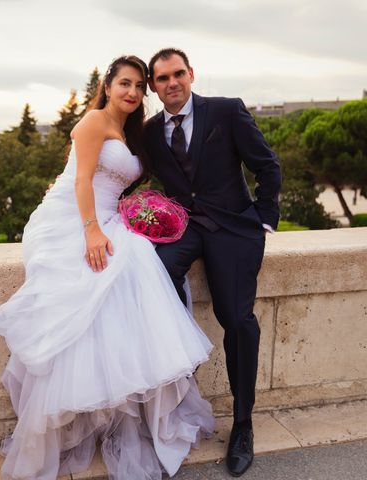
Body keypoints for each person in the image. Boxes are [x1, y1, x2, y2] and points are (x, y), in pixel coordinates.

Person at [0, 55, 214, 480]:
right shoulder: (94, 121)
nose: (132, 92)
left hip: (107, 217)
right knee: (106, 280)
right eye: (125, 84)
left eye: (138, 87)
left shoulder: (132, 134)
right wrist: (92, 231)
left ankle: (129, 410)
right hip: (72, 220)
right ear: (108, 85)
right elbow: (81, 181)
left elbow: (112, 181)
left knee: (139, 273)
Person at [138, 48, 282, 477]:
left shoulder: (226, 111)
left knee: (236, 319)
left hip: (234, 228)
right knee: (149, 279)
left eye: (178, 74)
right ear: (154, 86)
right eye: (162, 78)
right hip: (184, 229)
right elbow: (134, 177)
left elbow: (266, 165)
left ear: (191, 74)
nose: (172, 83)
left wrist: (265, 218)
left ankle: (242, 424)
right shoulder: (148, 132)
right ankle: (169, 402)